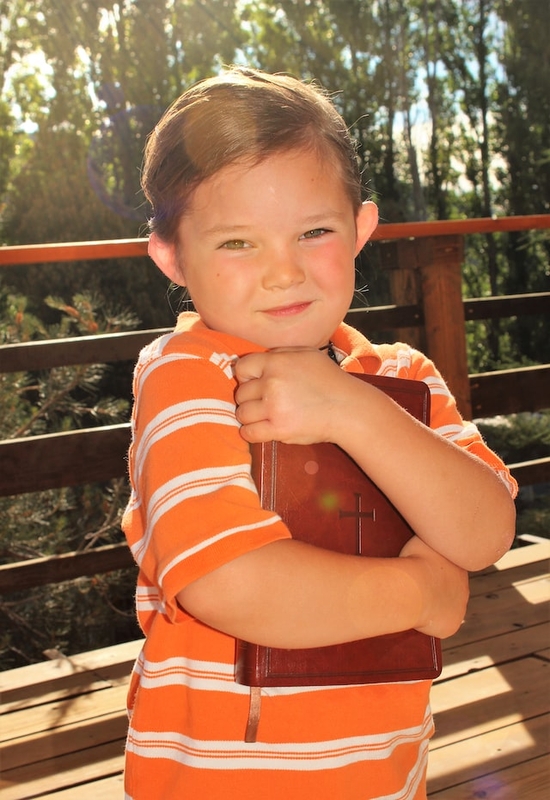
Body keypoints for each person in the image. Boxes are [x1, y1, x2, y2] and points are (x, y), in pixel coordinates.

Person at [121, 67, 517, 800]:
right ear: (172, 257)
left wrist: (354, 410)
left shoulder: (400, 376)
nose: (284, 271)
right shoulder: (188, 380)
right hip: (218, 782)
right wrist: (420, 592)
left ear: (361, 229)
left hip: (387, 777)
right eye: (238, 242)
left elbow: (486, 528)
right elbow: (230, 582)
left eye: (313, 231)